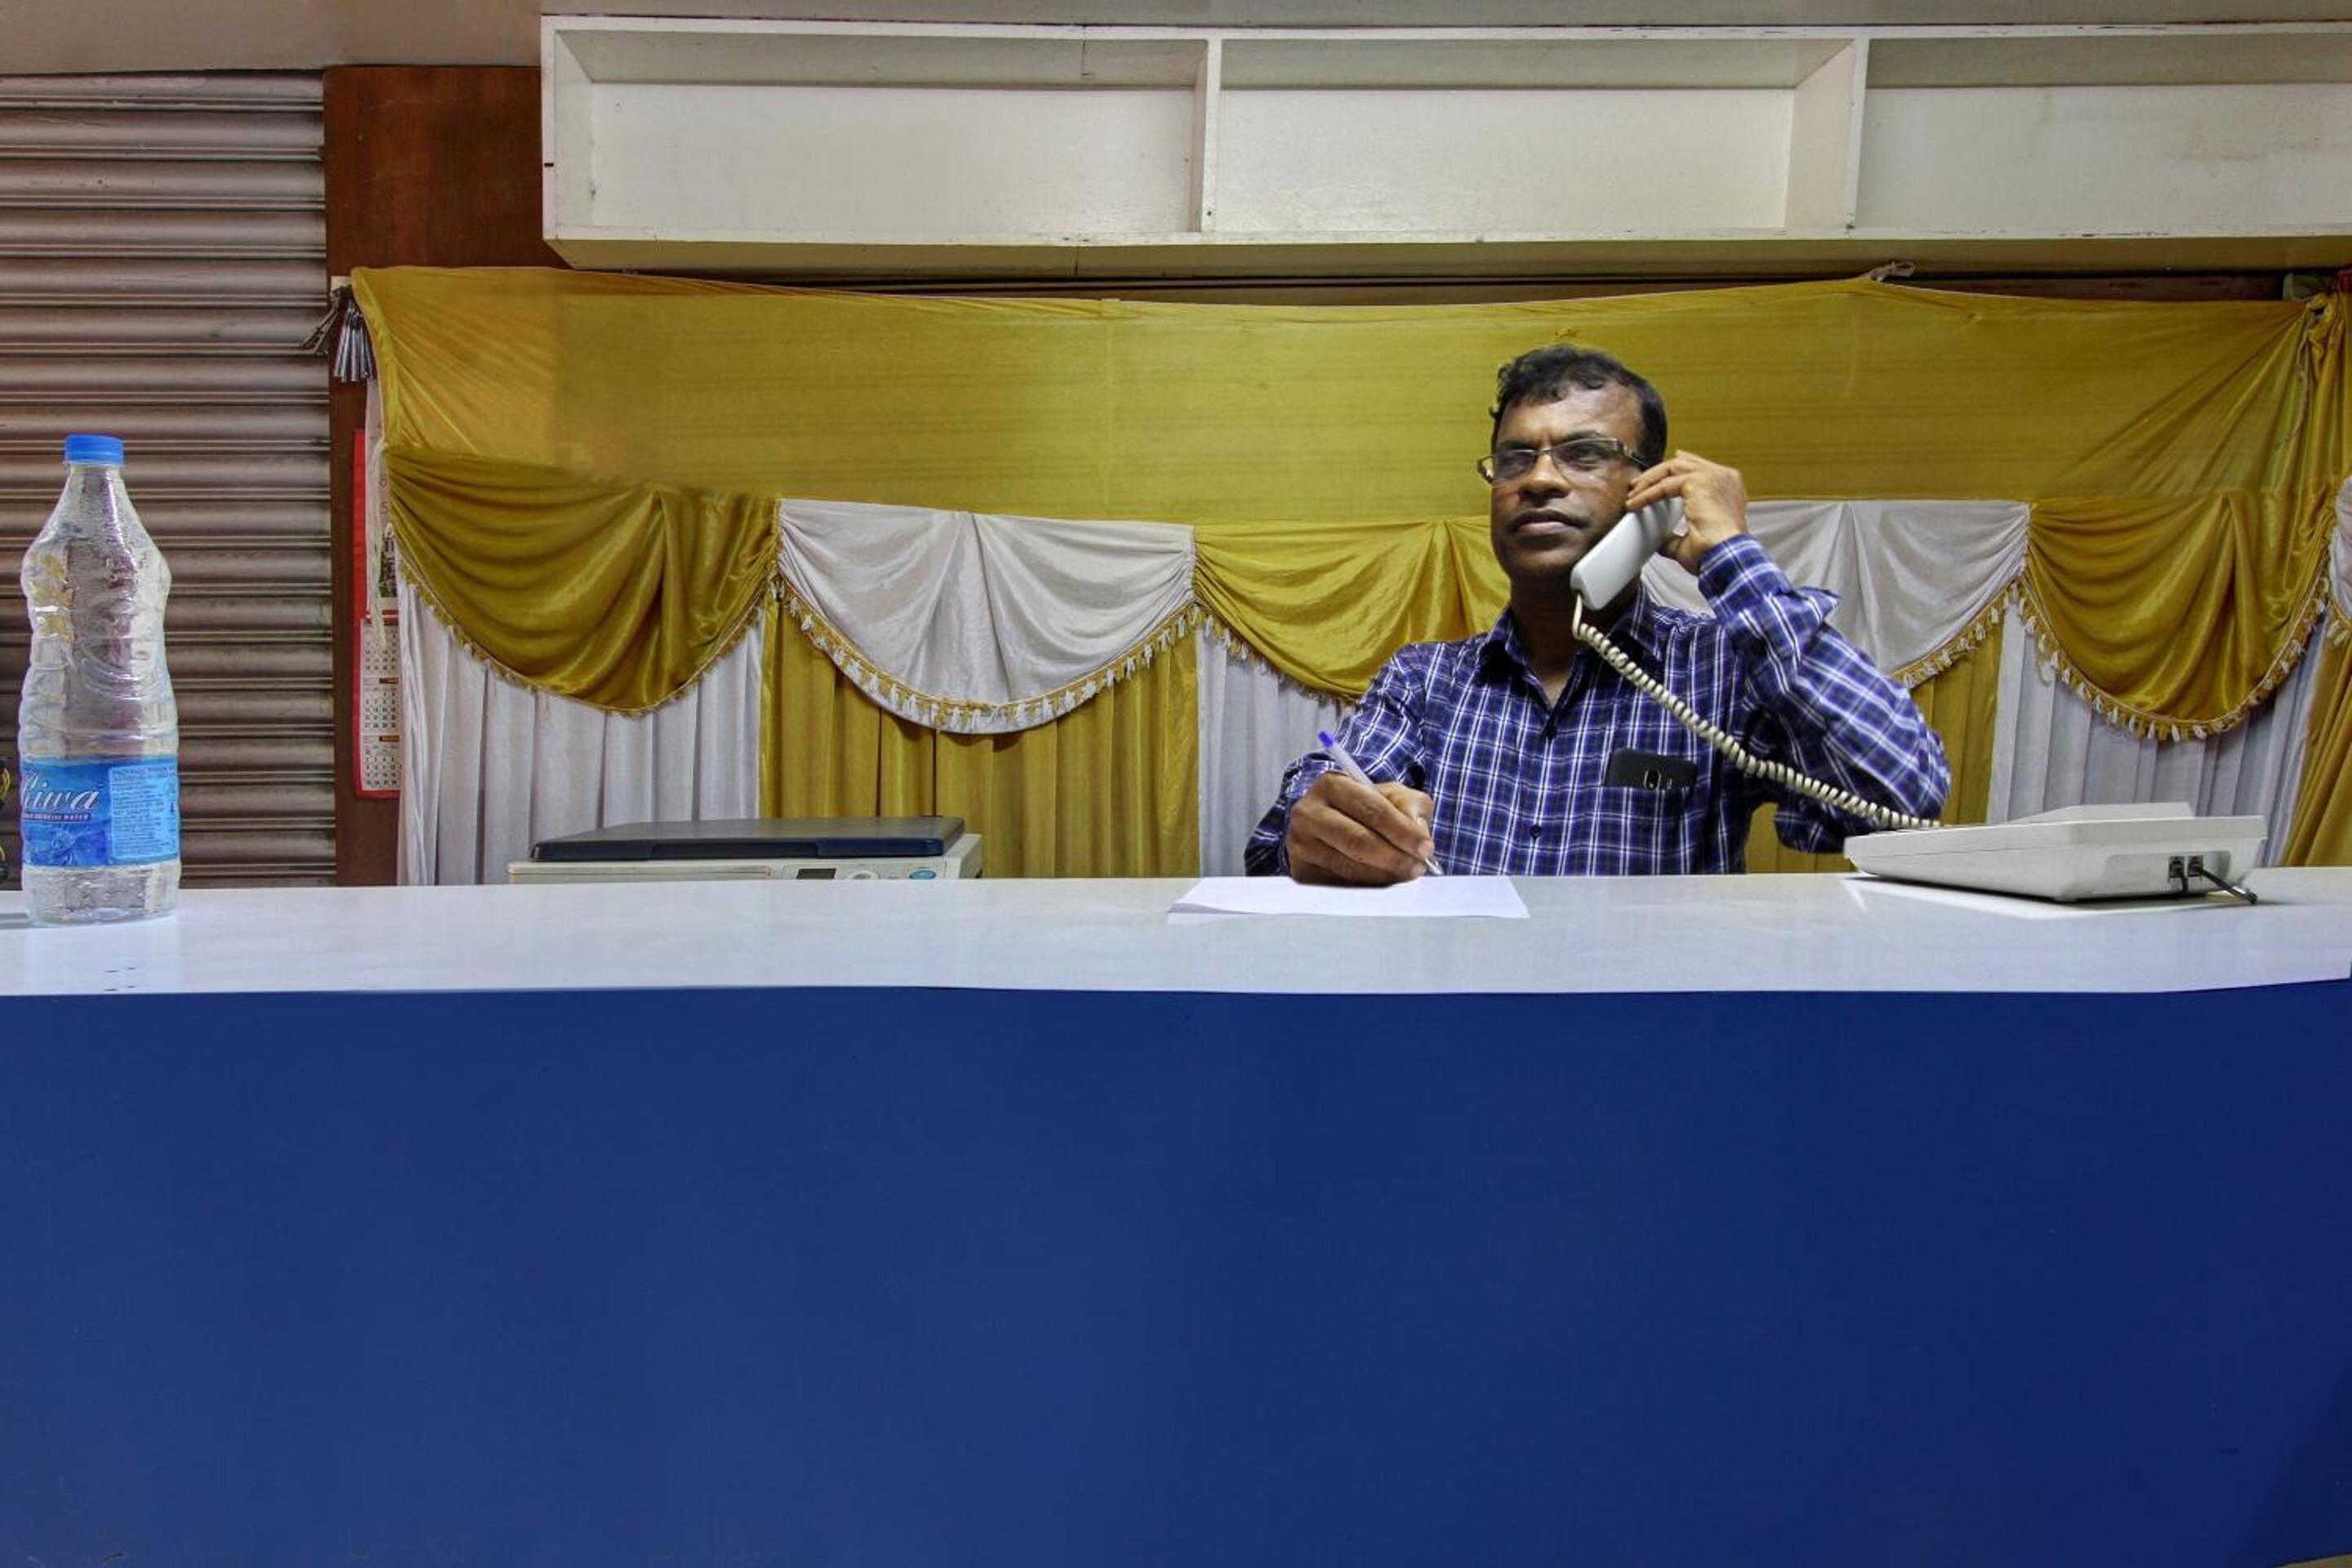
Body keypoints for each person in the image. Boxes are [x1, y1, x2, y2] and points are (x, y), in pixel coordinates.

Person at [1244, 345, 1949, 883]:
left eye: (1584, 455)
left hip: (1650, 1020)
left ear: (1654, 495)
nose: (1539, 479)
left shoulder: (1718, 670)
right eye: (1515, 459)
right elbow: (1275, 850)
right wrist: (1323, 831)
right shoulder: (1425, 680)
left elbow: (1904, 799)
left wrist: (1734, 559)